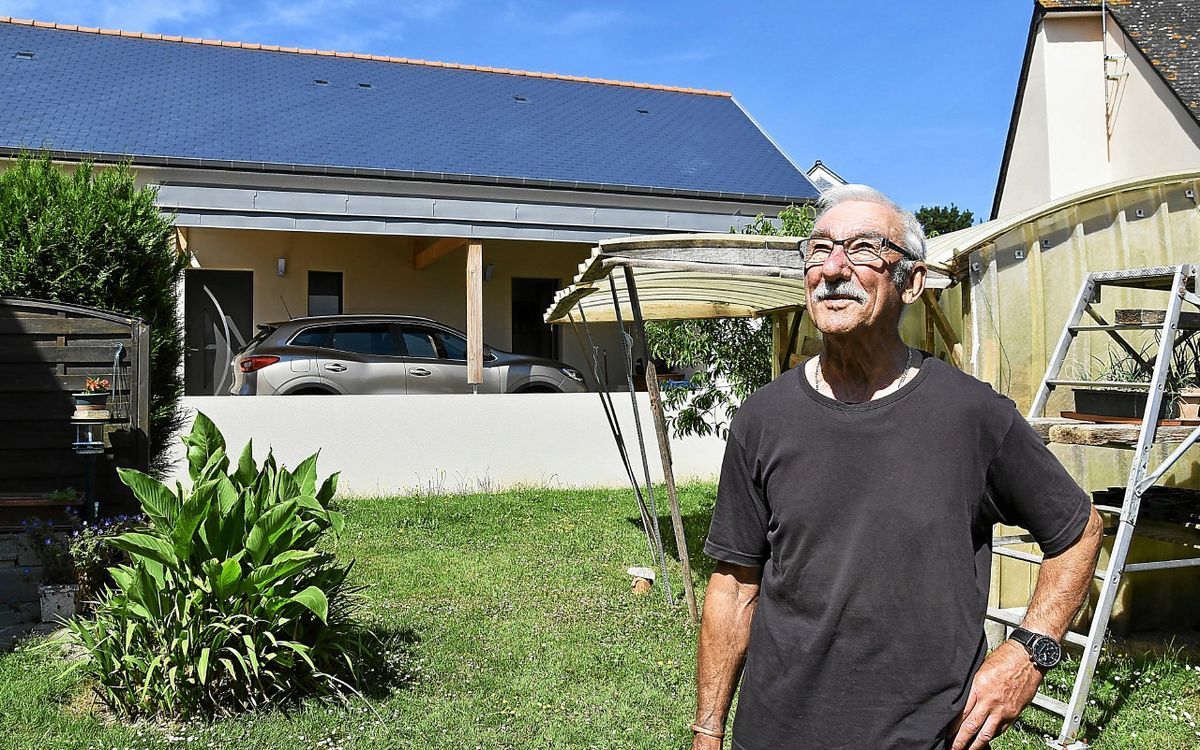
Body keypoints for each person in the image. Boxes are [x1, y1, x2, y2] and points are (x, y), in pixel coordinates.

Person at [690, 185, 1103, 750]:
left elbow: (1079, 530)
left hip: (925, 737)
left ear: (910, 281)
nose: (833, 268)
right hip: (775, 732)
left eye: (863, 248)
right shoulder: (763, 419)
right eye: (819, 249)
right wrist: (708, 728)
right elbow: (735, 585)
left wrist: (1029, 652)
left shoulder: (972, 416)